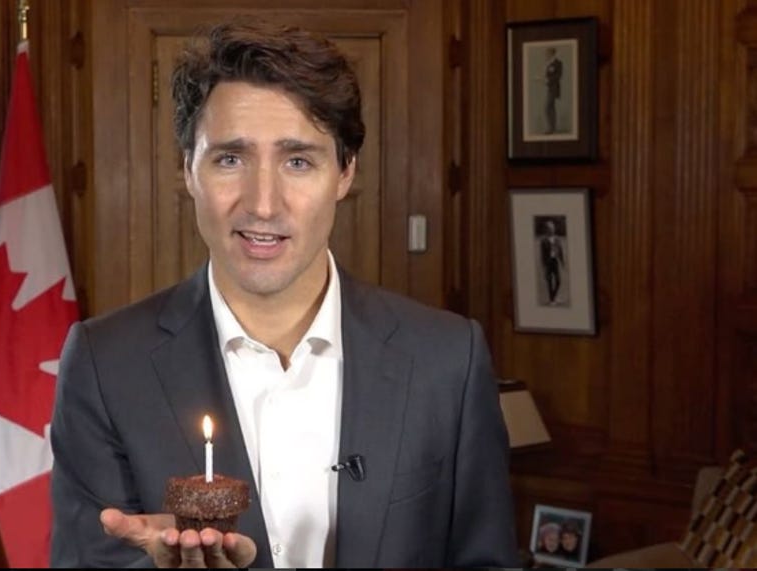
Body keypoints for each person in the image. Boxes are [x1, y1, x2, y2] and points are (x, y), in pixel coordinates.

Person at [49, 19, 518, 568]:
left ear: (345, 173)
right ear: (188, 170)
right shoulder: (105, 366)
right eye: (230, 159)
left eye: (298, 161)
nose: (263, 204)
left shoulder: (448, 359)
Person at [539, 219, 566, 305]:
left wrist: (562, 262)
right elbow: (542, 254)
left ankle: (553, 298)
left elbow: (560, 251)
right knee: (549, 281)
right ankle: (552, 300)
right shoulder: (543, 240)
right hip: (548, 262)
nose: (552, 230)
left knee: (558, 281)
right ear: (546, 229)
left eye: (553, 228)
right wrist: (544, 266)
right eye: (550, 228)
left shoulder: (557, 239)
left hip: (555, 261)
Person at [544, 46, 563, 134]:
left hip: (554, 88)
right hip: (550, 88)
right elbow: (548, 75)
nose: (546, 55)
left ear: (552, 54)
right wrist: (544, 79)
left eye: (547, 53)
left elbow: (558, 76)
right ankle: (552, 128)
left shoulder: (558, 63)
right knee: (551, 108)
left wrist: (548, 80)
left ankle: (551, 128)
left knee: (548, 107)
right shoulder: (550, 64)